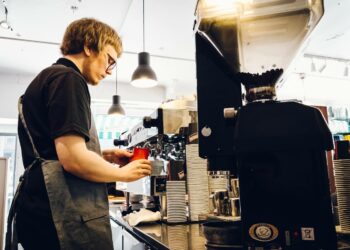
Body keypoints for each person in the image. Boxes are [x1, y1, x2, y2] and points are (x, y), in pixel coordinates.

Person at [6, 18, 152, 250]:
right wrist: (124, 174)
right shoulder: (68, 79)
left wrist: (104, 155)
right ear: (88, 46)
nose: (109, 70)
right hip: (58, 215)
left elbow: (53, 151)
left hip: (40, 211)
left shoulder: (49, 77)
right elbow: (73, 160)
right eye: (110, 59)